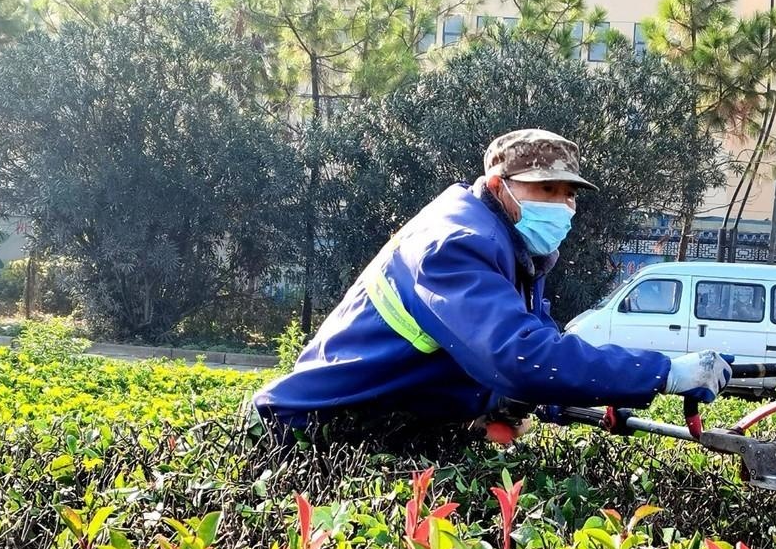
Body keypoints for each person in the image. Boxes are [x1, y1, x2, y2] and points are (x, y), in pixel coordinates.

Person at [249, 129, 732, 449]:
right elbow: (517, 356)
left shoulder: (511, 246)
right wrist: (662, 372)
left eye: (569, 194)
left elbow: (539, 347)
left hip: (374, 432)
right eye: (546, 190)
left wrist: (555, 400)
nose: (563, 206)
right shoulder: (457, 244)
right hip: (305, 433)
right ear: (499, 184)